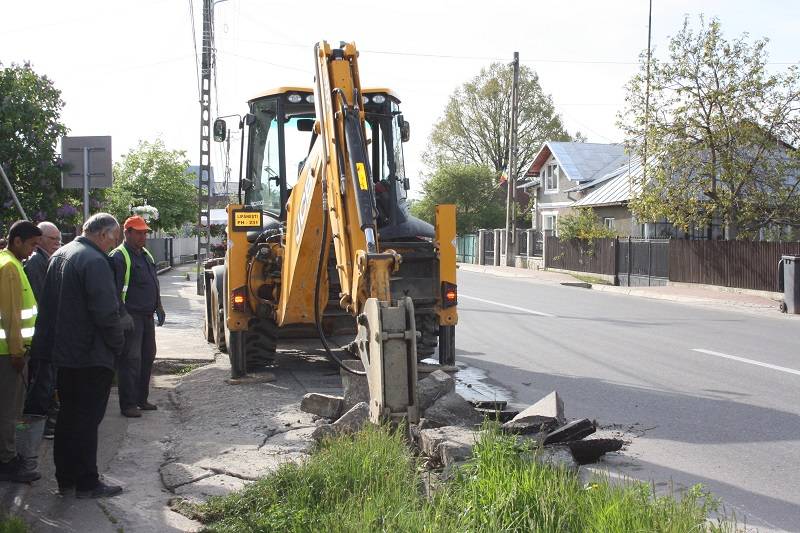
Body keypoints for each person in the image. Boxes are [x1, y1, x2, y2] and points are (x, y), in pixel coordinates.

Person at [35, 213, 128, 498]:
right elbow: (105, 313)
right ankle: (87, 481)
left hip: (66, 355)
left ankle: (66, 479)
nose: (113, 245)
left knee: (68, 417)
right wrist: (118, 344)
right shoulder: (95, 261)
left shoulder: (61, 255)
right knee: (88, 420)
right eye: (113, 238)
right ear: (102, 234)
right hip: (90, 355)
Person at [0, 220, 42, 483]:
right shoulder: (9, 268)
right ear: (17, 241)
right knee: (9, 410)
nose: (33, 251)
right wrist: (17, 352)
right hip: (8, 354)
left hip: (9, 352)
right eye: (32, 245)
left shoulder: (10, 263)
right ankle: (7, 460)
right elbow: (11, 316)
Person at [110, 216, 164, 418]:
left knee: (147, 357)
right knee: (131, 361)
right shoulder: (119, 256)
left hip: (147, 316)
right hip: (131, 317)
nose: (143, 236)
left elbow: (153, 282)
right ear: (127, 233)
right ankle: (128, 404)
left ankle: (142, 399)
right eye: (139, 232)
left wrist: (158, 305)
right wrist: (122, 315)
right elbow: (113, 291)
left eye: (145, 232)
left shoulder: (145, 254)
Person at [22, 222, 62, 449]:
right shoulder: (37, 263)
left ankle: (44, 421)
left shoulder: (46, 261)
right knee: (43, 382)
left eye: (58, 239)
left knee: (48, 381)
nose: (57, 243)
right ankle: (40, 423)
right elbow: (41, 301)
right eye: (53, 239)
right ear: (40, 239)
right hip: (41, 336)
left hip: (46, 334)